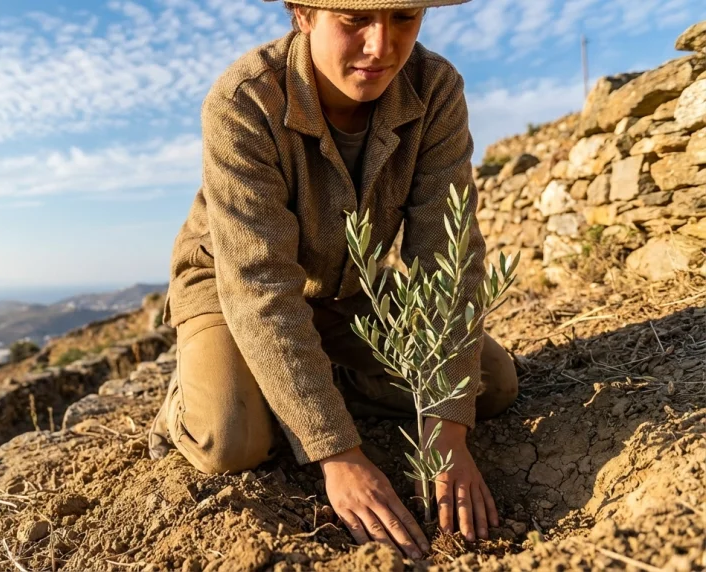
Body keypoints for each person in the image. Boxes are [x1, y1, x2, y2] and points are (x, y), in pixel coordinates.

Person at [148, 0, 519, 560]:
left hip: (348, 289)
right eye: (354, 21)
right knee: (229, 437)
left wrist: (444, 430)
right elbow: (259, 285)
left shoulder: (436, 88)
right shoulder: (244, 101)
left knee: (489, 384)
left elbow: (447, 252)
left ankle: (304, 384)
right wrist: (337, 452)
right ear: (302, 15)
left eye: (404, 19)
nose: (382, 46)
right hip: (230, 288)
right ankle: (198, 395)